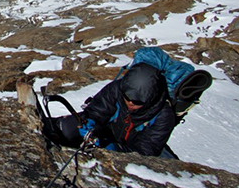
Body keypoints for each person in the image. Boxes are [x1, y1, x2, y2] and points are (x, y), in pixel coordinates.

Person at [41, 63, 177, 158]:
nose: (130, 102)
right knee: (67, 127)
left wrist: (113, 149)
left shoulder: (163, 116)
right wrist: (91, 122)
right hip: (102, 134)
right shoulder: (117, 89)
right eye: (127, 97)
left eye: (137, 102)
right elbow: (97, 111)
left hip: (126, 148)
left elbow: (145, 152)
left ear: (150, 100)